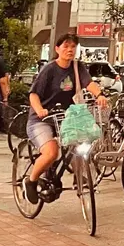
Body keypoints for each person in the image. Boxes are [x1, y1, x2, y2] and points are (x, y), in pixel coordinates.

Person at [23, 34, 105, 204]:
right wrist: (39, 110)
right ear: (57, 49)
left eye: (73, 47)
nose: (70, 50)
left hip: (66, 118)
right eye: (66, 46)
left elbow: (88, 83)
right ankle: (30, 181)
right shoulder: (49, 69)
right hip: (42, 120)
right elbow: (33, 94)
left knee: (82, 141)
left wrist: (100, 95)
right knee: (51, 152)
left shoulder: (77, 66)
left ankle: (78, 175)